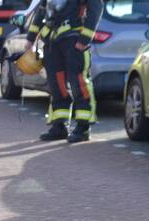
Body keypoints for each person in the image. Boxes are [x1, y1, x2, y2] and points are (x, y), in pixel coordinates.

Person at [24, 0, 103, 144]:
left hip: (74, 40)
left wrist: (84, 40)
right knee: (56, 84)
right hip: (53, 41)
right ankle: (59, 125)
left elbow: (96, 9)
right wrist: (30, 38)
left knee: (78, 83)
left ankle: (83, 127)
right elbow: (41, 11)